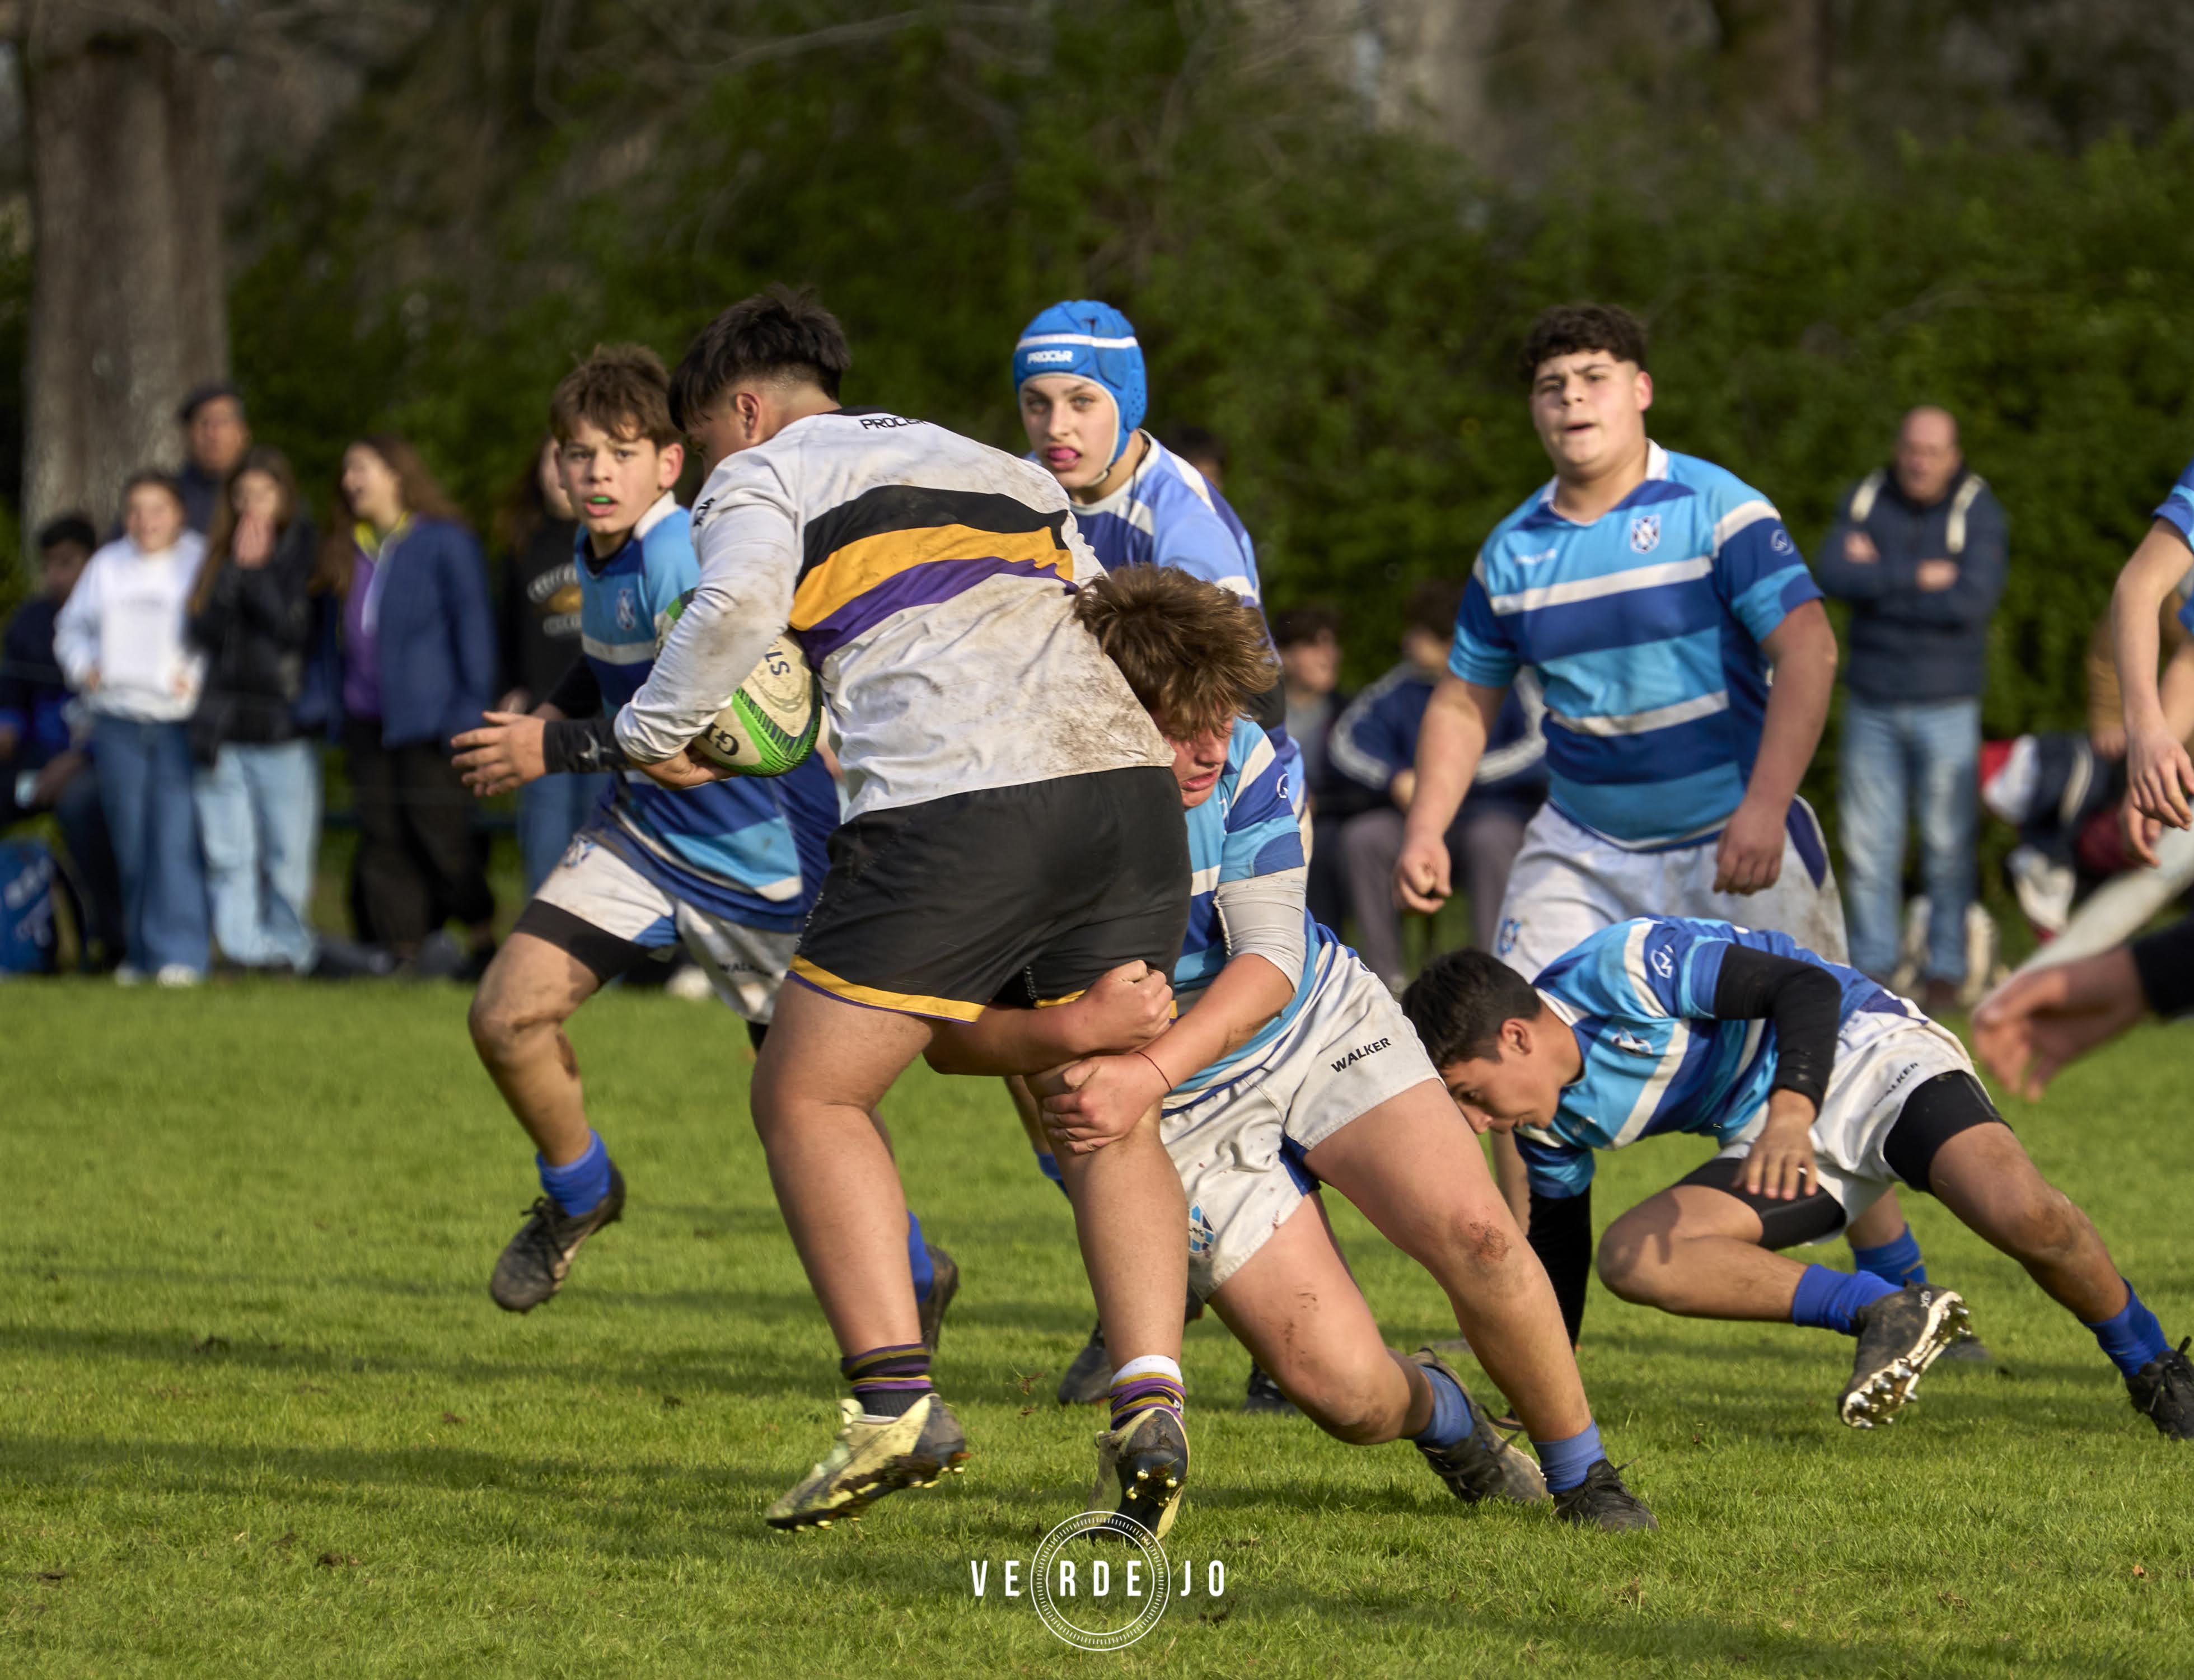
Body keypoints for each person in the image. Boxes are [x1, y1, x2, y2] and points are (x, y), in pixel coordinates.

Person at [612, 287, 1196, 1537]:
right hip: (1126, 790)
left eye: (710, 439)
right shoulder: (991, 462)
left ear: (744, 409)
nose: (715, 470)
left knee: (807, 1091)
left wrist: (645, 730)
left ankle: (895, 1404)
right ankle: (1150, 1395)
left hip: (964, 801)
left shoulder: (760, 471)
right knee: (1093, 1089)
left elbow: (730, 612)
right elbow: (1103, 609)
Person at [1020, 565, 1653, 1528]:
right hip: (1184, 1111)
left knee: (1480, 1234)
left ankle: (1585, 1479)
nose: (1207, 745)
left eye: (1219, 714)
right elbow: (958, 1024)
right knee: (1344, 1396)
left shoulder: (1249, 755)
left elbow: (1270, 960)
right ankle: (1447, 1416)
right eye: (1176, 721)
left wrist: (1142, 1062)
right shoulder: (1030, 805)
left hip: (1312, 1023)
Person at [1391, 303, 1949, 1320]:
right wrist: (1427, 822)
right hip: (1582, 841)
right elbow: (1464, 697)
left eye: (1593, 378)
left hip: (1731, 827)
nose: (1571, 403)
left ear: (1640, 389)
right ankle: (1533, 1325)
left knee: (1814, 1067)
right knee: (1509, 1076)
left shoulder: (1714, 509)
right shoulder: (1512, 549)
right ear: (1531, 408)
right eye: (1551, 387)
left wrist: (1762, 806)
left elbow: (1807, 651)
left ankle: (1900, 1289)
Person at [449, 344, 958, 1346]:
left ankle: (910, 1274)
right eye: (576, 453)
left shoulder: (681, 553)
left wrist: (546, 747)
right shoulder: (597, 555)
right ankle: (581, 1190)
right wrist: (545, 715)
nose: (595, 472)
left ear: (669, 464)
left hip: (760, 860)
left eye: (619, 452)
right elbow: (613, 681)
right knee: (506, 1016)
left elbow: (697, 718)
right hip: (642, 835)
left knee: (806, 1105)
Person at [1404, 926, 2193, 1440]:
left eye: (1470, 1094)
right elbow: (1556, 1254)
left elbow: (1803, 989)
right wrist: (1534, 1399)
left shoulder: (1620, 971)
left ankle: (2154, 1368)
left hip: (1862, 1051)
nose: (1475, 1124)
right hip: (1772, 1137)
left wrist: (1791, 1106)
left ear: (1515, 1036)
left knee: (2025, 1216)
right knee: (1633, 1258)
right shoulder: (1542, 1122)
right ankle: (1887, 1308)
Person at [1014, 298, 1307, 1412]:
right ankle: (1142, 1283)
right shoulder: (1022, 497)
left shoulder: (1181, 515)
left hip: (1203, 805)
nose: (1057, 424)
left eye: (1082, 401)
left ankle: (1280, 1332)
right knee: (1045, 1055)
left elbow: (1228, 684)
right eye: (1037, 402)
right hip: (1084, 808)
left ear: (1125, 404)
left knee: (1217, 1072)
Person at [1814, 408, 2008, 1012]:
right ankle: (1873, 969)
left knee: (1949, 844)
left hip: (1947, 704)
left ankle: (1946, 972)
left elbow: (1970, 601)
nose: (1919, 461)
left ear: (1953, 456)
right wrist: (1918, 577)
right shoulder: (1868, 496)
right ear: (1898, 449)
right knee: (1869, 845)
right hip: (1872, 700)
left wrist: (1879, 579)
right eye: (1911, 449)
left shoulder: (1979, 509)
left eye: (1932, 451)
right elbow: (1830, 572)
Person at [321, 435, 497, 972]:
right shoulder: (342, 546)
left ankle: (484, 938)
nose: (351, 479)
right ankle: (404, 953)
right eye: (347, 469)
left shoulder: (444, 541)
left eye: (363, 467)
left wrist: (470, 710)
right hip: (366, 720)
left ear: (397, 473)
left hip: (433, 720)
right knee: (383, 837)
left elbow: (473, 630)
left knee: (440, 834)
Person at [1334, 581, 1545, 979]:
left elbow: (1540, 746)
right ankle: (1385, 981)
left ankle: (1496, 975)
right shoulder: (1395, 688)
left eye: (1418, 633)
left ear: (1450, 642)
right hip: (1410, 821)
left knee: (1493, 839)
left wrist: (1452, 777)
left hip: (1487, 816)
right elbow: (1346, 744)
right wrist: (1395, 779)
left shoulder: (1511, 682)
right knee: (1364, 837)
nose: (1406, 641)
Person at [53, 473, 210, 984]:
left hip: (175, 724)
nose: (146, 521)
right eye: (136, 510)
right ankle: (140, 954)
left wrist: (196, 677)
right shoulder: (106, 565)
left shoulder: (199, 559)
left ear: (178, 513)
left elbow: (218, 633)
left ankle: (182, 954)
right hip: (118, 720)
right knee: (132, 840)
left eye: (157, 509)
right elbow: (71, 630)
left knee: (174, 839)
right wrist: (86, 669)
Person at [185, 448, 324, 974]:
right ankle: (243, 950)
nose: (251, 508)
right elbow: (200, 633)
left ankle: (290, 949)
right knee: (228, 851)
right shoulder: (216, 554)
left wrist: (256, 571)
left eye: (262, 496)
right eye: (241, 497)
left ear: (285, 496)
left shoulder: (305, 551)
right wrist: (232, 576)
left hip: (281, 725)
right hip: (221, 725)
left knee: (287, 853)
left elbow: (293, 629)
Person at [0, 514, 125, 962]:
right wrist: (8, 724)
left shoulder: (120, 618)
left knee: (81, 808)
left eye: (67, 563)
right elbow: (12, 692)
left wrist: (78, 757)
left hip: (101, 762)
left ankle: (111, 937)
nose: (56, 575)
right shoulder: (31, 620)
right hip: (36, 758)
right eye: (49, 564)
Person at [495, 437, 602, 895]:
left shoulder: (614, 540)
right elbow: (504, 631)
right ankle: (542, 955)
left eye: (576, 456)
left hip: (610, 723)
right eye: (553, 458)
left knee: (603, 850)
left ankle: (603, 965)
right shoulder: (523, 545)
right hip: (542, 724)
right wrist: (510, 689)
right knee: (545, 846)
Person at [1273, 605, 1366, 932]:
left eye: (1332, 644)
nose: (1330, 655)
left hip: (1328, 821)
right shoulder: (1262, 714)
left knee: (1327, 848)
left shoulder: (1350, 712)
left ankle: (1325, 947)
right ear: (1284, 656)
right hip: (1269, 813)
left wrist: (1319, 802)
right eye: (1314, 645)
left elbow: (1364, 786)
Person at [175, 384, 252, 535]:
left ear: (243, 432)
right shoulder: (168, 498)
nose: (213, 434)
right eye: (204, 423)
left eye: (223, 422)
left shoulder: (270, 493)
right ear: (188, 435)